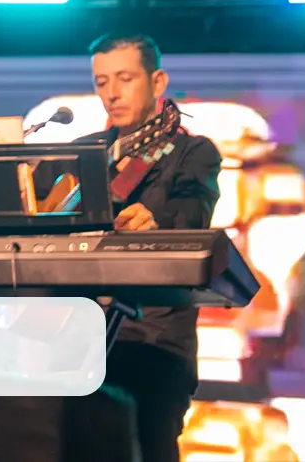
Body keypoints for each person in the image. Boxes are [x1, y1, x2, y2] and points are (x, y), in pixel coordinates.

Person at [83, 34, 221, 462]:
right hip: (80, 337)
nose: (112, 92)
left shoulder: (193, 152)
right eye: (102, 81)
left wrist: (155, 221)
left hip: (155, 339)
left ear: (157, 81)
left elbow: (194, 212)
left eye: (124, 78)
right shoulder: (82, 154)